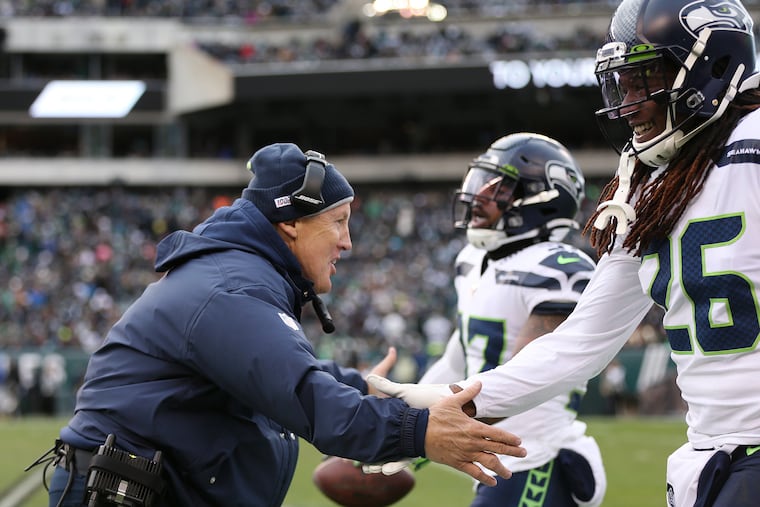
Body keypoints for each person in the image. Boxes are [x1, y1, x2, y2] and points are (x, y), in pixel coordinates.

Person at [368, 0, 760, 505]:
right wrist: (447, 405)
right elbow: (580, 343)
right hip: (710, 453)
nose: (632, 102)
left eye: (646, 80)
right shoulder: (652, 188)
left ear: (714, 66)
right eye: (625, 84)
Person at [35, 143, 526, 507]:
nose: (348, 242)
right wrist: (420, 430)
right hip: (123, 494)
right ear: (291, 222)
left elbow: (276, 376)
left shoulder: (240, 277)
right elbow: (307, 398)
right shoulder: (232, 289)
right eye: (338, 222)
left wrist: (375, 390)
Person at [376, 133, 607, 506]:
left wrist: (414, 432)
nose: (478, 196)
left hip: (533, 458)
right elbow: (458, 357)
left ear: (542, 200)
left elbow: (526, 376)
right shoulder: (472, 260)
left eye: (498, 188)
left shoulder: (559, 269)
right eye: (481, 183)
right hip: (488, 455)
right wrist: (405, 420)